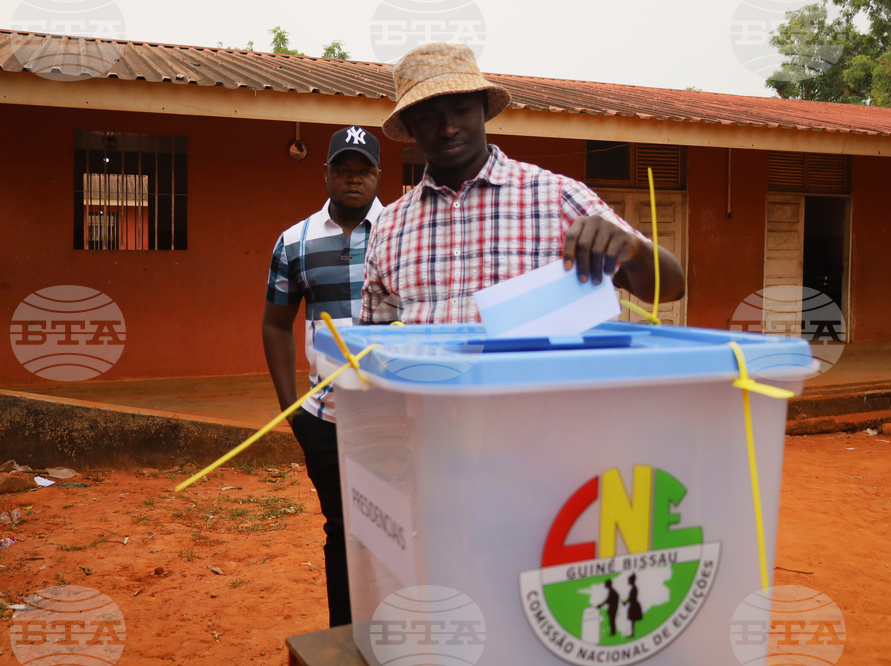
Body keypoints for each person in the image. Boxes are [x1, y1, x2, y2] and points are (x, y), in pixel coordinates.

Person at [361, 43, 684, 325]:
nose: (448, 129)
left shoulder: (558, 198)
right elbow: (375, 334)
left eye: (461, 110)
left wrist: (632, 247)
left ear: (484, 109)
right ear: (409, 126)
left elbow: (670, 288)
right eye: (429, 117)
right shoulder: (390, 225)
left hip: (535, 380)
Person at [263, 125, 383, 627]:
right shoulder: (295, 241)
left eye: (364, 170)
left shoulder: (402, 233)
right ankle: (345, 639)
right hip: (326, 417)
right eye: (343, 169)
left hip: (394, 415)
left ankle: (397, 635)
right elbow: (276, 324)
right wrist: (292, 410)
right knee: (341, 530)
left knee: (398, 529)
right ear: (326, 173)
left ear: (378, 176)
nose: (354, 179)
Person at [623, 573, 643, 638]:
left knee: (633, 620)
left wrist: (625, 602)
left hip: (634, 605)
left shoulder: (634, 588)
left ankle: (633, 633)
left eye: (629, 580)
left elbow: (632, 598)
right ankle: (632, 633)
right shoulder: (633, 588)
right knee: (632, 621)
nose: (628, 582)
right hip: (633, 604)